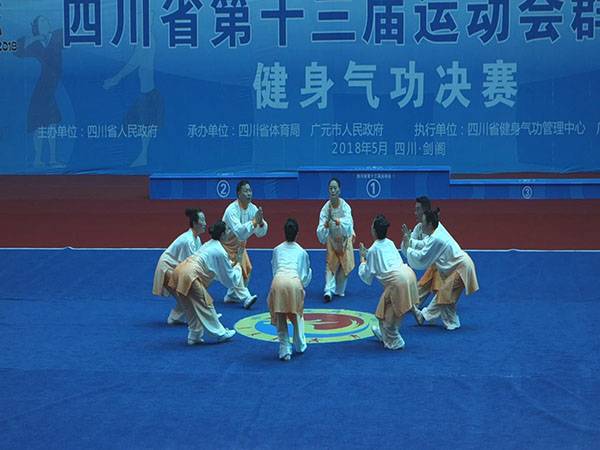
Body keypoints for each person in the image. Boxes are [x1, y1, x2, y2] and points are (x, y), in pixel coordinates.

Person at [402, 208, 479, 331]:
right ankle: (451, 321)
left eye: (423, 222)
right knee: (447, 295)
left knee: (445, 291)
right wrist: (409, 240)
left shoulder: (436, 238)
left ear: (430, 224)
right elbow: (424, 244)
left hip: (462, 268)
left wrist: (408, 248)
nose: (421, 225)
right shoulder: (436, 233)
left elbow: (422, 256)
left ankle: (424, 317)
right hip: (459, 266)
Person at [168, 221, 240, 345]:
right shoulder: (220, 251)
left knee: (190, 307)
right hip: (189, 274)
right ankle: (221, 333)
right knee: (206, 303)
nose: (229, 232)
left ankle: (194, 335)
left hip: (179, 271)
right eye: (227, 230)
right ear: (222, 234)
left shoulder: (208, 244)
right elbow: (230, 279)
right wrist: (238, 267)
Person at [359, 215, 419, 350]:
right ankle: (386, 335)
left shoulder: (373, 250)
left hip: (397, 283)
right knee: (388, 313)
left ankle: (396, 342)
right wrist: (368, 256)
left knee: (386, 319)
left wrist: (363, 260)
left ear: (374, 230)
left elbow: (367, 275)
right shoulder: (390, 243)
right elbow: (387, 260)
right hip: (408, 275)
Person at [15, 16, 65, 168]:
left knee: (52, 124)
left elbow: (74, 36)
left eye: (46, 20)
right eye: (41, 21)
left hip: (51, 89)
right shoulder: (34, 44)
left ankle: (53, 159)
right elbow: (16, 49)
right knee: (40, 125)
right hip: (41, 90)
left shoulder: (58, 36)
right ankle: (38, 159)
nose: (46, 22)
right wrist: (37, 37)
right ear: (36, 26)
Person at [267, 218, 312, 361]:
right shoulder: (302, 252)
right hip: (293, 283)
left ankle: (284, 350)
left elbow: (275, 269)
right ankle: (300, 345)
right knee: (297, 315)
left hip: (278, 282)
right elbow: (304, 274)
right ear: (297, 234)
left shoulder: (277, 250)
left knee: (280, 316)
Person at [152, 208, 206, 324]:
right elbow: (189, 267)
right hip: (166, 268)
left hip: (174, 267)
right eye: (202, 220)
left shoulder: (196, 239)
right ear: (195, 223)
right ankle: (200, 317)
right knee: (187, 293)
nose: (205, 223)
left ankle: (175, 317)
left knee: (186, 294)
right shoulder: (188, 241)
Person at [221, 180, 266, 308]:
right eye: (245, 191)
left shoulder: (253, 209)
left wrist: (260, 223)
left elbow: (260, 233)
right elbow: (240, 232)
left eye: (250, 190)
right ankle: (246, 298)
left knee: (246, 271)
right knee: (236, 271)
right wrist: (254, 222)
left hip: (240, 247)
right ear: (238, 194)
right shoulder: (231, 210)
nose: (249, 193)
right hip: (224, 247)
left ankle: (232, 295)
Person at [317, 178, 355, 303]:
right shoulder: (325, 209)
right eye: (331, 188)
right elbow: (320, 229)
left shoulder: (345, 206)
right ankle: (328, 291)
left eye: (335, 188)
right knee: (330, 266)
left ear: (339, 190)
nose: (333, 190)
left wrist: (339, 221)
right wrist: (325, 225)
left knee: (341, 286)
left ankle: (337, 289)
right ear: (328, 191)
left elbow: (349, 223)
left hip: (344, 241)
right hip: (332, 241)